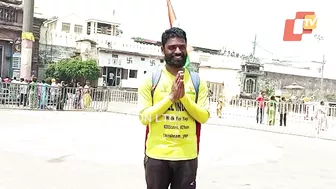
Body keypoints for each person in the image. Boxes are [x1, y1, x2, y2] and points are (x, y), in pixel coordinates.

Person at [138, 27, 210, 189]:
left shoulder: (198, 81)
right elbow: (144, 118)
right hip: (157, 156)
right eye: (172, 47)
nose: (178, 51)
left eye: (182, 47)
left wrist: (183, 97)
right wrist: (171, 98)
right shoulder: (151, 79)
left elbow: (203, 117)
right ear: (162, 49)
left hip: (187, 157)